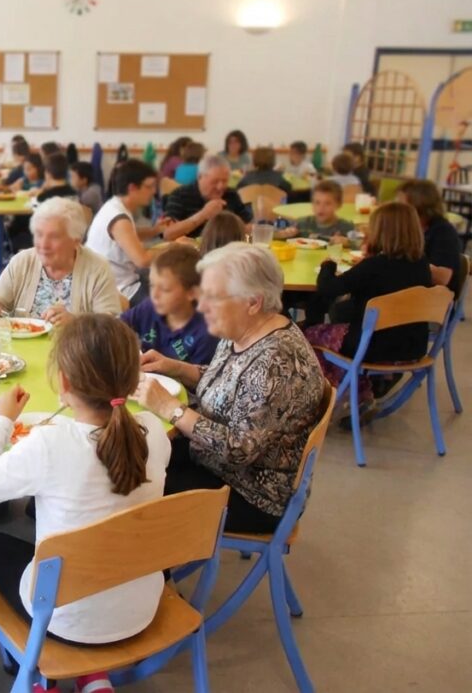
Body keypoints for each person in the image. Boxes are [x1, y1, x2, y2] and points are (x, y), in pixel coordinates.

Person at [0, 314, 171, 689]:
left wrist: (1, 421)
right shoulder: (154, 431)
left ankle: (41, 674)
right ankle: (92, 675)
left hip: (65, 620)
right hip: (141, 607)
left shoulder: (50, 444)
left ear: (65, 383)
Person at [134, 243, 324, 534]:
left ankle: (153, 574)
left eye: (213, 297)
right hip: (217, 462)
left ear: (253, 301)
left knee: (136, 490)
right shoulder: (245, 329)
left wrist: (170, 408)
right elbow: (230, 382)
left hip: (252, 493)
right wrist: (175, 367)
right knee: (135, 457)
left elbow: (237, 450)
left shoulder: (276, 361)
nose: (202, 306)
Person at [303, 202, 432, 407]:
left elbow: (328, 288)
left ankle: (334, 396)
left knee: (307, 335)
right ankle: (362, 391)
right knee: (343, 321)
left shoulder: (374, 266)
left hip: (372, 347)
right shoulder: (422, 264)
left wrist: (328, 264)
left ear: (380, 231)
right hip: (412, 346)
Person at [0, 198, 121, 324]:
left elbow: (112, 326)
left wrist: (76, 322)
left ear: (75, 241)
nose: (43, 245)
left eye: (54, 236)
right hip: (23, 353)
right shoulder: (23, 261)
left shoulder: (97, 268)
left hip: (76, 356)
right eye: (39, 234)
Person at [121, 244, 217, 366]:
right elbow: (118, 326)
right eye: (151, 285)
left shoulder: (206, 334)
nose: (154, 295)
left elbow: (201, 380)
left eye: (165, 289)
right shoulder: (150, 306)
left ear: (191, 293)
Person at [85, 160, 159, 302]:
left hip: (105, 282)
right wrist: (175, 248)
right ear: (132, 188)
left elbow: (128, 236)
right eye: (149, 186)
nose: (153, 191)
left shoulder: (114, 206)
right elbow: (142, 260)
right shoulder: (119, 219)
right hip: (119, 290)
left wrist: (156, 230)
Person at [163, 155, 252, 240]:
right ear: (200, 177)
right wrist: (204, 215)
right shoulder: (180, 195)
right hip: (191, 252)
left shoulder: (231, 194)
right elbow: (168, 234)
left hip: (226, 250)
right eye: (215, 181)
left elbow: (248, 226)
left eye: (225, 181)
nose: (220, 186)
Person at [396, 180, 463, 291]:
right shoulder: (408, 227)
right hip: (409, 292)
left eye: (402, 206)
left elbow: (442, 278)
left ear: (419, 207)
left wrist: (402, 262)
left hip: (433, 301)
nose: (397, 211)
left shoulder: (443, 232)